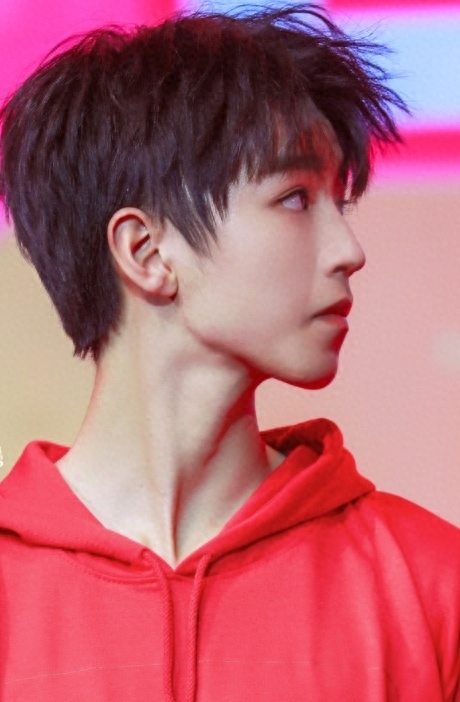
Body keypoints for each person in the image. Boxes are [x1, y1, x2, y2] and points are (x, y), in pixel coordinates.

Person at [0, 4, 459, 700]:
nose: (350, 251)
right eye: (296, 198)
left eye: (339, 202)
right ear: (146, 252)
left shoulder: (432, 587)